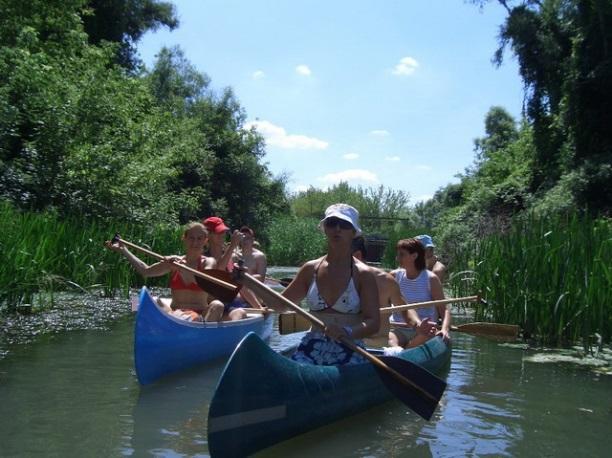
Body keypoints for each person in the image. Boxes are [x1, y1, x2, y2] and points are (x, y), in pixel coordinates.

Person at [267, 203, 380, 366]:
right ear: (325, 229)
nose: (338, 229)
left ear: (354, 232)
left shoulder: (364, 274)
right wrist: (247, 281)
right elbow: (279, 306)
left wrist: (347, 332)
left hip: (350, 346)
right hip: (311, 347)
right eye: (332, 223)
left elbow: (373, 324)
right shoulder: (310, 269)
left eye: (345, 225)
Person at [105, 222, 245, 322]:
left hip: (201, 316)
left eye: (199, 238)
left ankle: (200, 338)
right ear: (183, 239)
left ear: (205, 241)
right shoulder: (175, 262)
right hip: (175, 314)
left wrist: (180, 267)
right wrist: (124, 250)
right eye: (191, 237)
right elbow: (145, 271)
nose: (195, 242)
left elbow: (203, 280)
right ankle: (144, 327)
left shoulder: (208, 262)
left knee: (218, 305)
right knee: (139, 301)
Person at [351, 237, 436, 349]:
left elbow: (405, 309)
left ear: (357, 256)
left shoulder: (385, 280)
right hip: (342, 345)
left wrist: (418, 325)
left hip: (375, 349)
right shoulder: (326, 277)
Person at [388, 237, 452, 349]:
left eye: (402, 254)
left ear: (414, 256)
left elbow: (444, 310)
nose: (397, 258)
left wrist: (444, 329)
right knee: (391, 340)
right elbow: (383, 304)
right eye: (398, 254)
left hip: (425, 331)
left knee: (423, 337)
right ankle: (400, 352)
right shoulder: (393, 276)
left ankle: (404, 352)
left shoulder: (431, 279)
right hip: (398, 328)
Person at [203, 216, 263, 310]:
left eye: (223, 231)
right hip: (213, 305)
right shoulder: (204, 258)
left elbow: (239, 285)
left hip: (229, 303)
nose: (222, 234)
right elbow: (218, 271)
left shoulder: (228, 257)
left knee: (257, 299)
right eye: (218, 232)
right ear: (208, 235)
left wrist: (258, 307)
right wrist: (232, 246)